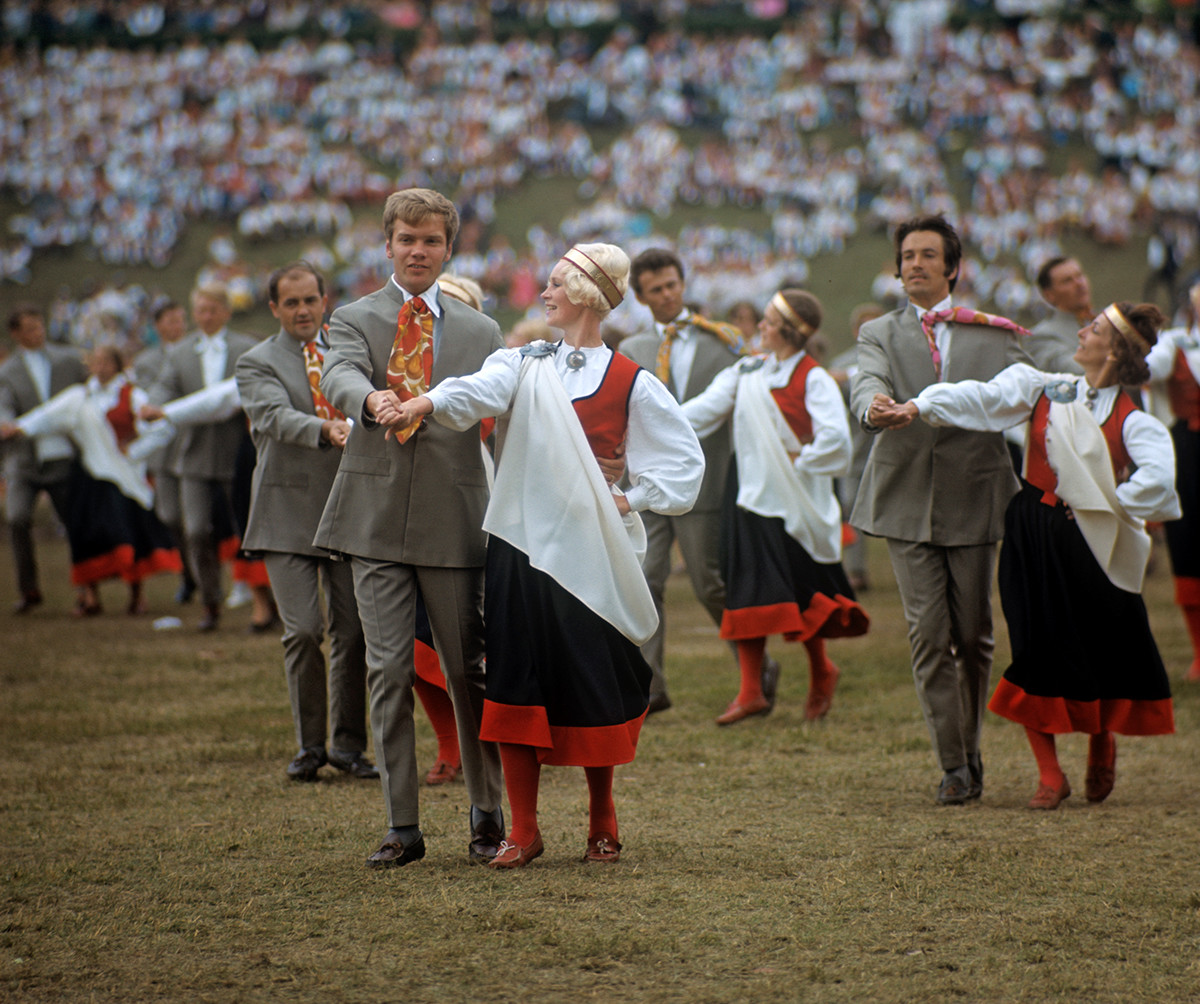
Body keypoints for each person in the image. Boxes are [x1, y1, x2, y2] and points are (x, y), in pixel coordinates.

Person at [391, 242, 703, 868]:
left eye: (558, 283)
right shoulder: (523, 364)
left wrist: (631, 496)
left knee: (592, 682)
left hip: (591, 557)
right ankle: (525, 830)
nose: (546, 292)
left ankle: (602, 820)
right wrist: (426, 402)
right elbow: (476, 390)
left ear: (587, 294)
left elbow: (683, 464)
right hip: (520, 548)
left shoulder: (630, 380)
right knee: (514, 681)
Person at [881, 301, 1179, 808]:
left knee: (1097, 648)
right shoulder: (1044, 386)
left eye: (1096, 329)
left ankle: (1100, 744)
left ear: (1115, 350)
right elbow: (983, 398)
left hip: (1092, 544)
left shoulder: (1132, 418)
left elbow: (1157, 480)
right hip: (1033, 532)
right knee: (1033, 646)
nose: (1082, 332)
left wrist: (1104, 506)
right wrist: (920, 406)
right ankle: (1049, 773)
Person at [312, 188, 505, 869]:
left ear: (448, 248)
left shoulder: (484, 333)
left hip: (454, 523)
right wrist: (367, 397)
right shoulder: (354, 319)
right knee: (389, 671)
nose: (418, 250)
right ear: (387, 246)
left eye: (430, 241)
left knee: (466, 673)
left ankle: (488, 814)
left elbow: (504, 414)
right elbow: (336, 374)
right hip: (372, 522)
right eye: (406, 239)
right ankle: (403, 826)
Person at [850, 214, 1033, 806]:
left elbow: (1018, 401)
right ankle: (954, 764)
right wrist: (873, 406)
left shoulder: (995, 335)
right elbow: (866, 382)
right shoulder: (879, 331)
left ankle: (971, 746)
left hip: (976, 495)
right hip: (903, 495)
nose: (915, 265)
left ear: (953, 268)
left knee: (975, 633)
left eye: (928, 255)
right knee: (928, 633)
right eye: (907, 256)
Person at [683, 289, 869, 724]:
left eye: (767, 321)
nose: (759, 327)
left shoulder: (814, 377)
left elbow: (836, 442)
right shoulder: (747, 370)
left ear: (788, 331)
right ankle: (751, 691)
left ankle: (822, 671)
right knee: (746, 591)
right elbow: (701, 412)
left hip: (794, 502)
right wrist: (648, 418)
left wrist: (802, 459)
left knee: (801, 595)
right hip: (748, 495)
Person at [618, 248, 777, 714]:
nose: (667, 294)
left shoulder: (726, 340)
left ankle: (756, 669)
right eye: (656, 290)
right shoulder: (632, 350)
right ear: (642, 298)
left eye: (672, 284)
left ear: (682, 284)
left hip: (707, 480)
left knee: (710, 582)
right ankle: (651, 686)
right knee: (646, 581)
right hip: (646, 482)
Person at [235, 262, 376, 783]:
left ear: (324, 300)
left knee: (353, 633)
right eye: (290, 303)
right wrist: (326, 428)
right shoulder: (255, 362)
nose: (301, 311)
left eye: (309, 300)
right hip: (284, 515)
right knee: (302, 632)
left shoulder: (350, 350)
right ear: (274, 308)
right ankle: (309, 746)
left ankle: (348, 747)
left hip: (348, 511)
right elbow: (271, 416)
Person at [1, 344, 180, 615]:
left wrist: (133, 451)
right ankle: (91, 596)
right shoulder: (80, 397)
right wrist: (19, 428)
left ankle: (136, 595)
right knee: (86, 535)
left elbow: (160, 428)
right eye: (95, 362)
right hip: (91, 476)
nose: (100, 367)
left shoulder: (131, 395)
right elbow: (48, 416)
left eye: (106, 362)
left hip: (124, 478)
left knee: (127, 533)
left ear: (118, 365)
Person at [140, 283, 257, 631]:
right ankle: (210, 600)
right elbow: (165, 387)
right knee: (195, 530)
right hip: (192, 456)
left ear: (226, 311)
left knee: (248, 528)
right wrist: (154, 405)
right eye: (201, 310)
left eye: (212, 310)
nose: (205, 316)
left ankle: (263, 597)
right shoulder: (180, 353)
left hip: (237, 453)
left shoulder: (245, 348)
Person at [0, 305, 87, 613]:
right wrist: (7, 423)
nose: (38, 333)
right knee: (17, 518)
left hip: (62, 457)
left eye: (40, 326)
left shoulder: (68, 359)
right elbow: (4, 406)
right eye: (30, 329)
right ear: (16, 334)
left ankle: (85, 589)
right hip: (24, 461)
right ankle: (29, 589)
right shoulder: (7, 372)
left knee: (73, 524)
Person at [1146, 278, 1200, 682]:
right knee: (1186, 543)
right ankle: (1199, 650)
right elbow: (1153, 366)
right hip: (1189, 450)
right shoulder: (1176, 344)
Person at [133, 300, 195, 604]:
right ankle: (187, 573)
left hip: (193, 443)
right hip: (163, 447)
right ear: (157, 326)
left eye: (181, 320)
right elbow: (149, 400)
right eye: (171, 321)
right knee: (170, 515)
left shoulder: (196, 350)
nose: (177, 326)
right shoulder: (145, 362)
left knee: (199, 519)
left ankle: (203, 576)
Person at [826, 302, 885, 591]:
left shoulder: (895, 359)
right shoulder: (840, 363)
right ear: (854, 331)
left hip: (890, 451)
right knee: (851, 511)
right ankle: (856, 571)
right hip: (856, 455)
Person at [1027, 257, 1094, 374]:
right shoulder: (1043, 335)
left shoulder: (1103, 320)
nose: (1079, 283)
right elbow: (1077, 370)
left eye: (1080, 276)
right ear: (1049, 295)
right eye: (1067, 281)